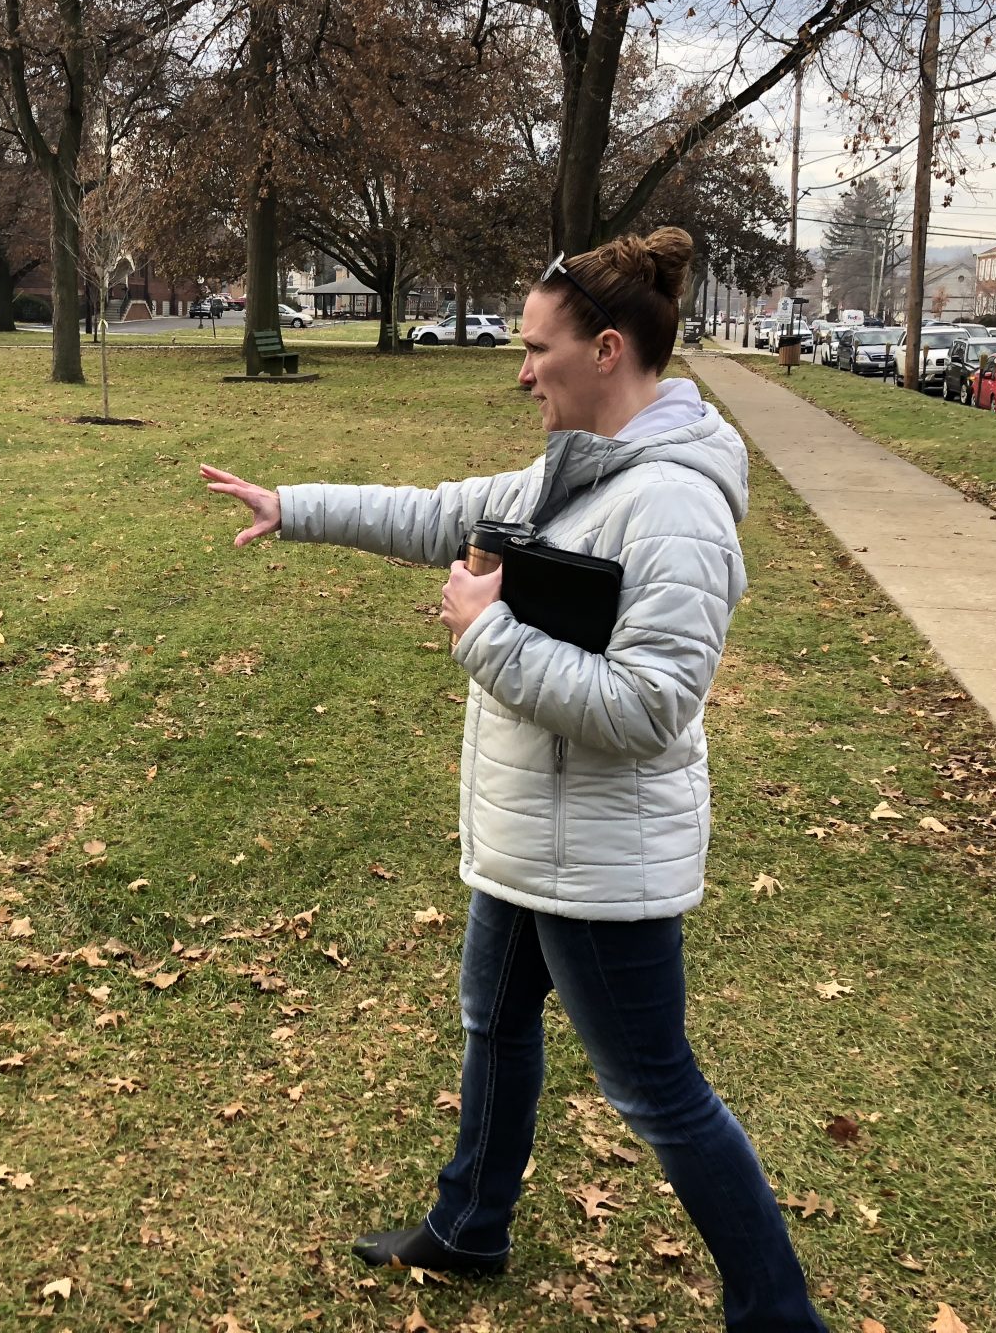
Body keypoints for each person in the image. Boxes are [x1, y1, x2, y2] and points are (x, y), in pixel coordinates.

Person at [200, 227, 826, 1332]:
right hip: (531, 839)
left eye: (539, 348)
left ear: (609, 350)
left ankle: (779, 1317)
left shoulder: (670, 507)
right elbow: (441, 512)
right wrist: (292, 504)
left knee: (656, 1091)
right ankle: (470, 1227)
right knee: (494, 1023)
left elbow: (648, 709)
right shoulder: (577, 472)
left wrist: (485, 638)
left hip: (598, 861)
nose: (521, 368)